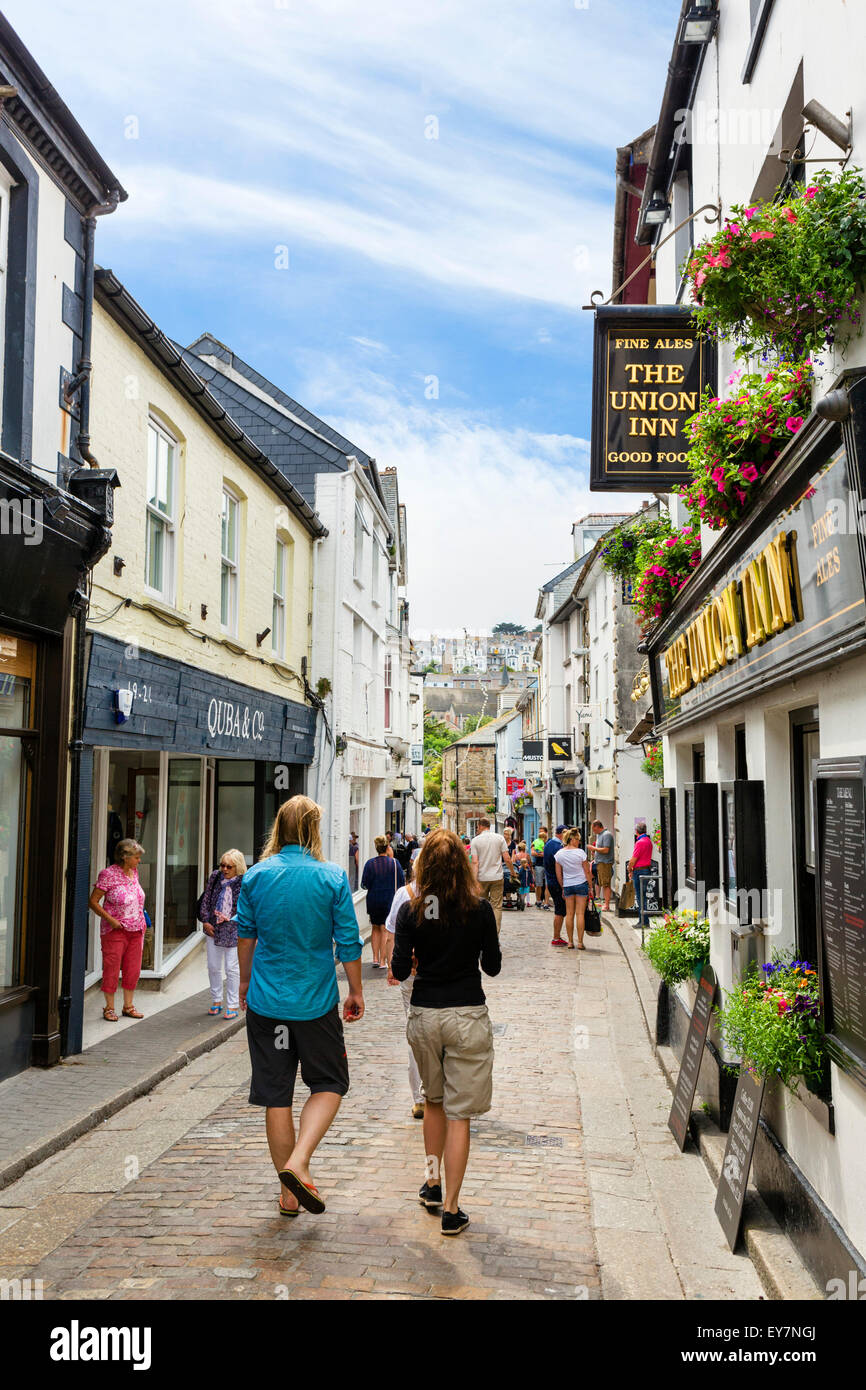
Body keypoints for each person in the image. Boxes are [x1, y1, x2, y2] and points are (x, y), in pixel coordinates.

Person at [236, 795, 363, 1217]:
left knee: (277, 1095)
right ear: (312, 829)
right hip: (314, 1004)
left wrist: (244, 982)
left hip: (268, 1003)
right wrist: (356, 990)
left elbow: (246, 935)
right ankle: (299, 1161)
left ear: (279, 828)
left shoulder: (256, 876)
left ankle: (289, 1195)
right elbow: (347, 940)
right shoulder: (331, 877)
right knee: (329, 1083)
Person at [392, 828, 501, 1237]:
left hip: (426, 1016)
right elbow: (492, 967)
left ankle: (432, 1183)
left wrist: (419, 956)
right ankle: (452, 1209)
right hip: (467, 1015)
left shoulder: (412, 910)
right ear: (462, 864)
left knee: (432, 1103)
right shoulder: (478, 909)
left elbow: (400, 970)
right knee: (460, 1116)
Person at [89, 839, 148, 1023]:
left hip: (136, 929)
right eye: (136, 857)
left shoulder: (134, 872)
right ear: (125, 857)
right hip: (116, 930)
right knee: (112, 968)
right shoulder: (107, 875)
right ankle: (109, 1008)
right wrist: (111, 920)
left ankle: (128, 1006)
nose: (139, 861)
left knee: (133, 969)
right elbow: (93, 901)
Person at [384, 877, 425, 1119]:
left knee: (415, 1032)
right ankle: (440, 1092)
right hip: (441, 974)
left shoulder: (404, 894)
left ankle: (420, 1099)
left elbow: (391, 934)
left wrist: (392, 966)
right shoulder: (453, 891)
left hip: (410, 973)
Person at [198, 849, 246, 1019]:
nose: (224, 869)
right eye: (222, 865)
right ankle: (216, 1000)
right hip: (213, 928)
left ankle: (232, 1004)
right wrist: (205, 921)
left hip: (233, 929)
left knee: (232, 969)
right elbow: (206, 899)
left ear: (238, 867)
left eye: (229, 867)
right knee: (213, 966)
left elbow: (246, 908)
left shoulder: (244, 882)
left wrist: (232, 919)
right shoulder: (215, 877)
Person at [361, 836, 405, 968]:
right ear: (387, 847)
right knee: (385, 929)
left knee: (375, 927)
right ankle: (382, 961)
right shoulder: (394, 863)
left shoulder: (370, 864)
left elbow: (364, 884)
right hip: (389, 899)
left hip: (373, 899)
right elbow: (401, 883)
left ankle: (374, 958)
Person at [469, 818, 512, 932]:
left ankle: (482, 935)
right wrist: (513, 873)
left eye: (477, 827)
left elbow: (475, 862)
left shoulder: (475, 841)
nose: (477, 829)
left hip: (481, 878)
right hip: (497, 877)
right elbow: (507, 858)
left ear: (481, 826)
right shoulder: (499, 838)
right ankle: (495, 935)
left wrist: (474, 880)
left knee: (480, 906)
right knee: (496, 907)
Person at [555, 829, 590, 949]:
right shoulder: (580, 853)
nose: (579, 842)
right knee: (580, 914)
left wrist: (563, 886)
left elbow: (558, 874)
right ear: (572, 839)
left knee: (569, 914)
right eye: (578, 839)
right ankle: (580, 942)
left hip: (568, 885)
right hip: (581, 883)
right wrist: (590, 886)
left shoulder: (559, 854)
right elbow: (587, 871)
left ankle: (570, 942)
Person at [543, 825, 569, 946]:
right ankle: (556, 937)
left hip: (551, 880)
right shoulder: (557, 847)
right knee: (560, 910)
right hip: (557, 881)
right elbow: (561, 866)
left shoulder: (548, 843)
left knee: (560, 910)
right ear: (561, 834)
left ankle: (557, 936)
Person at [628, 821, 654, 929]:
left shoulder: (639, 842)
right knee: (643, 896)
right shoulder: (648, 841)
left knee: (640, 897)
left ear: (636, 831)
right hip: (646, 870)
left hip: (639, 871)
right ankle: (644, 921)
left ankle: (643, 921)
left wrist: (629, 869)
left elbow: (633, 859)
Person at [589, 819, 615, 912]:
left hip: (605, 863)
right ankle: (605, 904)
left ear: (597, 826)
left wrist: (594, 848)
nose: (593, 831)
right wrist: (595, 852)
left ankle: (607, 905)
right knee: (603, 884)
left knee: (606, 884)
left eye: (593, 828)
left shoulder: (606, 834)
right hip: (600, 862)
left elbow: (606, 850)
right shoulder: (599, 835)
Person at [531, 827, 549, 908]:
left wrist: (540, 853)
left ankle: (546, 902)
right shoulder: (536, 842)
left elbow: (547, 854)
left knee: (547, 885)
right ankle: (538, 901)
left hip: (547, 865)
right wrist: (540, 854)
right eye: (539, 833)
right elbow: (532, 852)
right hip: (538, 865)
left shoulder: (548, 842)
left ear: (546, 833)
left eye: (542, 833)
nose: (540, 835)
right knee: (538, 884)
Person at [515, 841, 534, 908]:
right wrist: (531, 870)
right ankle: (524, 899)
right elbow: (530, 863)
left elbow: (515, 864)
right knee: (526, 888)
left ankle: (521, 898)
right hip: (526, 872)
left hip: (519, 872)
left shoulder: (516, 856)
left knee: (520, 887)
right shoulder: (527, 855)